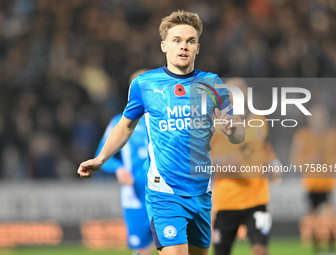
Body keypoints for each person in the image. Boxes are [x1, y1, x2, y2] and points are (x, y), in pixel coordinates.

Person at [77, 11, 245, 255]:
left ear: (198, 48)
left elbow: (238, 133)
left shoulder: (213, 84)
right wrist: (101, 159)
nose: (183, 46)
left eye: (189, 41)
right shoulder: (145, 84)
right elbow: (125, 126)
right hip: (164, 191)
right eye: (176, 40)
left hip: (202, 192)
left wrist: (233, 130)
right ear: (164, 46)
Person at [210, 78, 281, 255]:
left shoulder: (260, 121)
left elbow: (267, 149)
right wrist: (220, 162)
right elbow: (201, 159)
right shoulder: (213, 125)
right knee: (221, 252)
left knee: (260, 249)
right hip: (227, 201)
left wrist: (274, 164)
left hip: (257, 200)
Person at [94, 68, 153, 255]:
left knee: (171, 247)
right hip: (134, 195)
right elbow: (102, 155)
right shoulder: (120, 122)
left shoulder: (166, 120)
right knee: (141, 249)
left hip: (164, 193)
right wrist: (119, 169)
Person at [290, 103, 336, 255]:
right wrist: (310, 160)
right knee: (314, 220)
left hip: (329, 184)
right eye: (315, 116)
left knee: (329, 218)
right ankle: (318, 250)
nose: (318, 120)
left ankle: (330, 249)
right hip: (311, 184)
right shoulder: (302, 136)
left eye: (321, 116)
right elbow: (295, 161)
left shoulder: (333, 136)